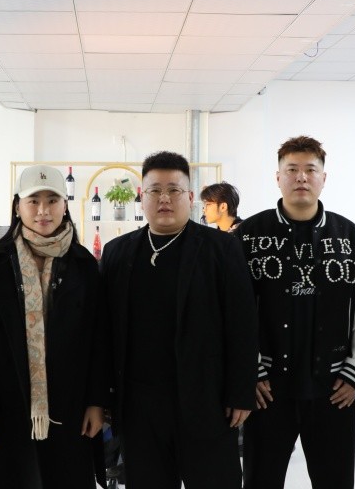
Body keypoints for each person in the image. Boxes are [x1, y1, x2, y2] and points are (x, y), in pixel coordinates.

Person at [99, 151, 258, 489]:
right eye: (155, 190)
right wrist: (105, 396)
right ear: (142, 197)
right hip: (139, 408)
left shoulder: (221, 249)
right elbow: (104, 331)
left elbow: (242, 323)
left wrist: (241, 391)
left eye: (174, 190)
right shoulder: (117, 252)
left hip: (207, 401)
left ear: (189, 196)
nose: (164, 198)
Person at [236, 135, 355, 489]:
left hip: (333, 386)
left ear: (323, 178)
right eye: (292, 169)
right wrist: (248, 370)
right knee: (260, 480)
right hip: (267, 388)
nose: (301, 177)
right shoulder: (247, 236)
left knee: (335, 480)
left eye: (310, 170)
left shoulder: (349, 237)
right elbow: (234, 312)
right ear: (278, 177)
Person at [0, 165, 108, 488]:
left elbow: (99, 339)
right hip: (7, 407)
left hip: (70, 408)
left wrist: (96, 402)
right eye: (33, 201)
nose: (43, 211)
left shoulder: (84, 265)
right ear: (17, 207)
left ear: (65, 206)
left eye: (52, 200)